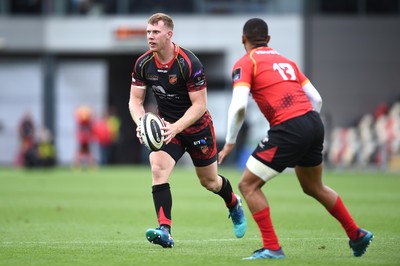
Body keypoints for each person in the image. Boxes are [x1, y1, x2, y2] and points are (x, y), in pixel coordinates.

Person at [218, 18, 373, 260]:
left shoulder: (246, 63)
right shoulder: (287, 62)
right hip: (313, 122)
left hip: (290, 126)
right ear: (268, 40)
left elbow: (238, 107)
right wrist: (306, 128)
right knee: (314, 186)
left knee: (247, 185)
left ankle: (272, 247)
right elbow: (317, 99)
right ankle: (356, 233)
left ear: (243, 39)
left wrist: (229, 142)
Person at [128, 13, 247, 248]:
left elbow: (200, 105)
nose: (150, 37)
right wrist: (141, 123)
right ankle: (165, 231)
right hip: (167, 127)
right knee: (158, 168)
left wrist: (177, 127)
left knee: (210, 182)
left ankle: (233, 203)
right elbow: (134, 101)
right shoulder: (143, 63)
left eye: (155, 32)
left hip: (196, 128)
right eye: (148, 32)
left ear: (169, 34)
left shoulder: (188, 63)